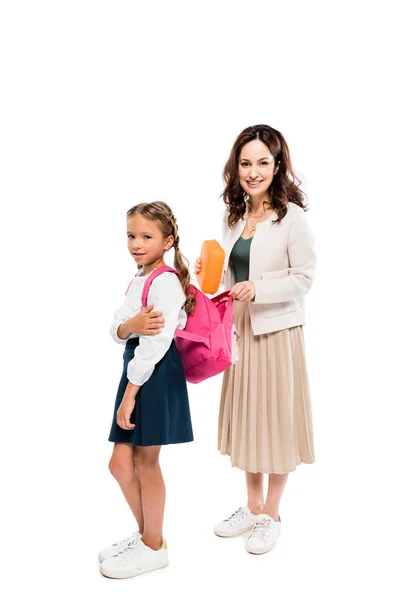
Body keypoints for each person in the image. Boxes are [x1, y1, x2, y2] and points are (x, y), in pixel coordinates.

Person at [195, 124, 316, 555]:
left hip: (278, 332)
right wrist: (211, 275)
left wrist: (258, 288)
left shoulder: (292, 217)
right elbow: (232, 276)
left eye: (263, 162)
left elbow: (304, 278)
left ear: (277, 165)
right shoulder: (235, 217)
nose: (253, 171)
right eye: (246, 163)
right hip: (240, 328)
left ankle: (272, 514)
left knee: (277, 419)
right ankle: (251, 506)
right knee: (248, 415)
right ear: (237, 168)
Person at [99, 201, 194, 579]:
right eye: (131, 235)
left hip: (152, 374)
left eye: (146, 236)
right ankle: (148, 538)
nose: (136, 243)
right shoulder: (140, 277)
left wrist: (130, 393)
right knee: (120, 463)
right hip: (136, 370)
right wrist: (131, 324)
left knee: (145, 462)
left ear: (167, 240)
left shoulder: (166, 281)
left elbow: (155, 342)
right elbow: (115, 328)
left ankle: (153, 546)